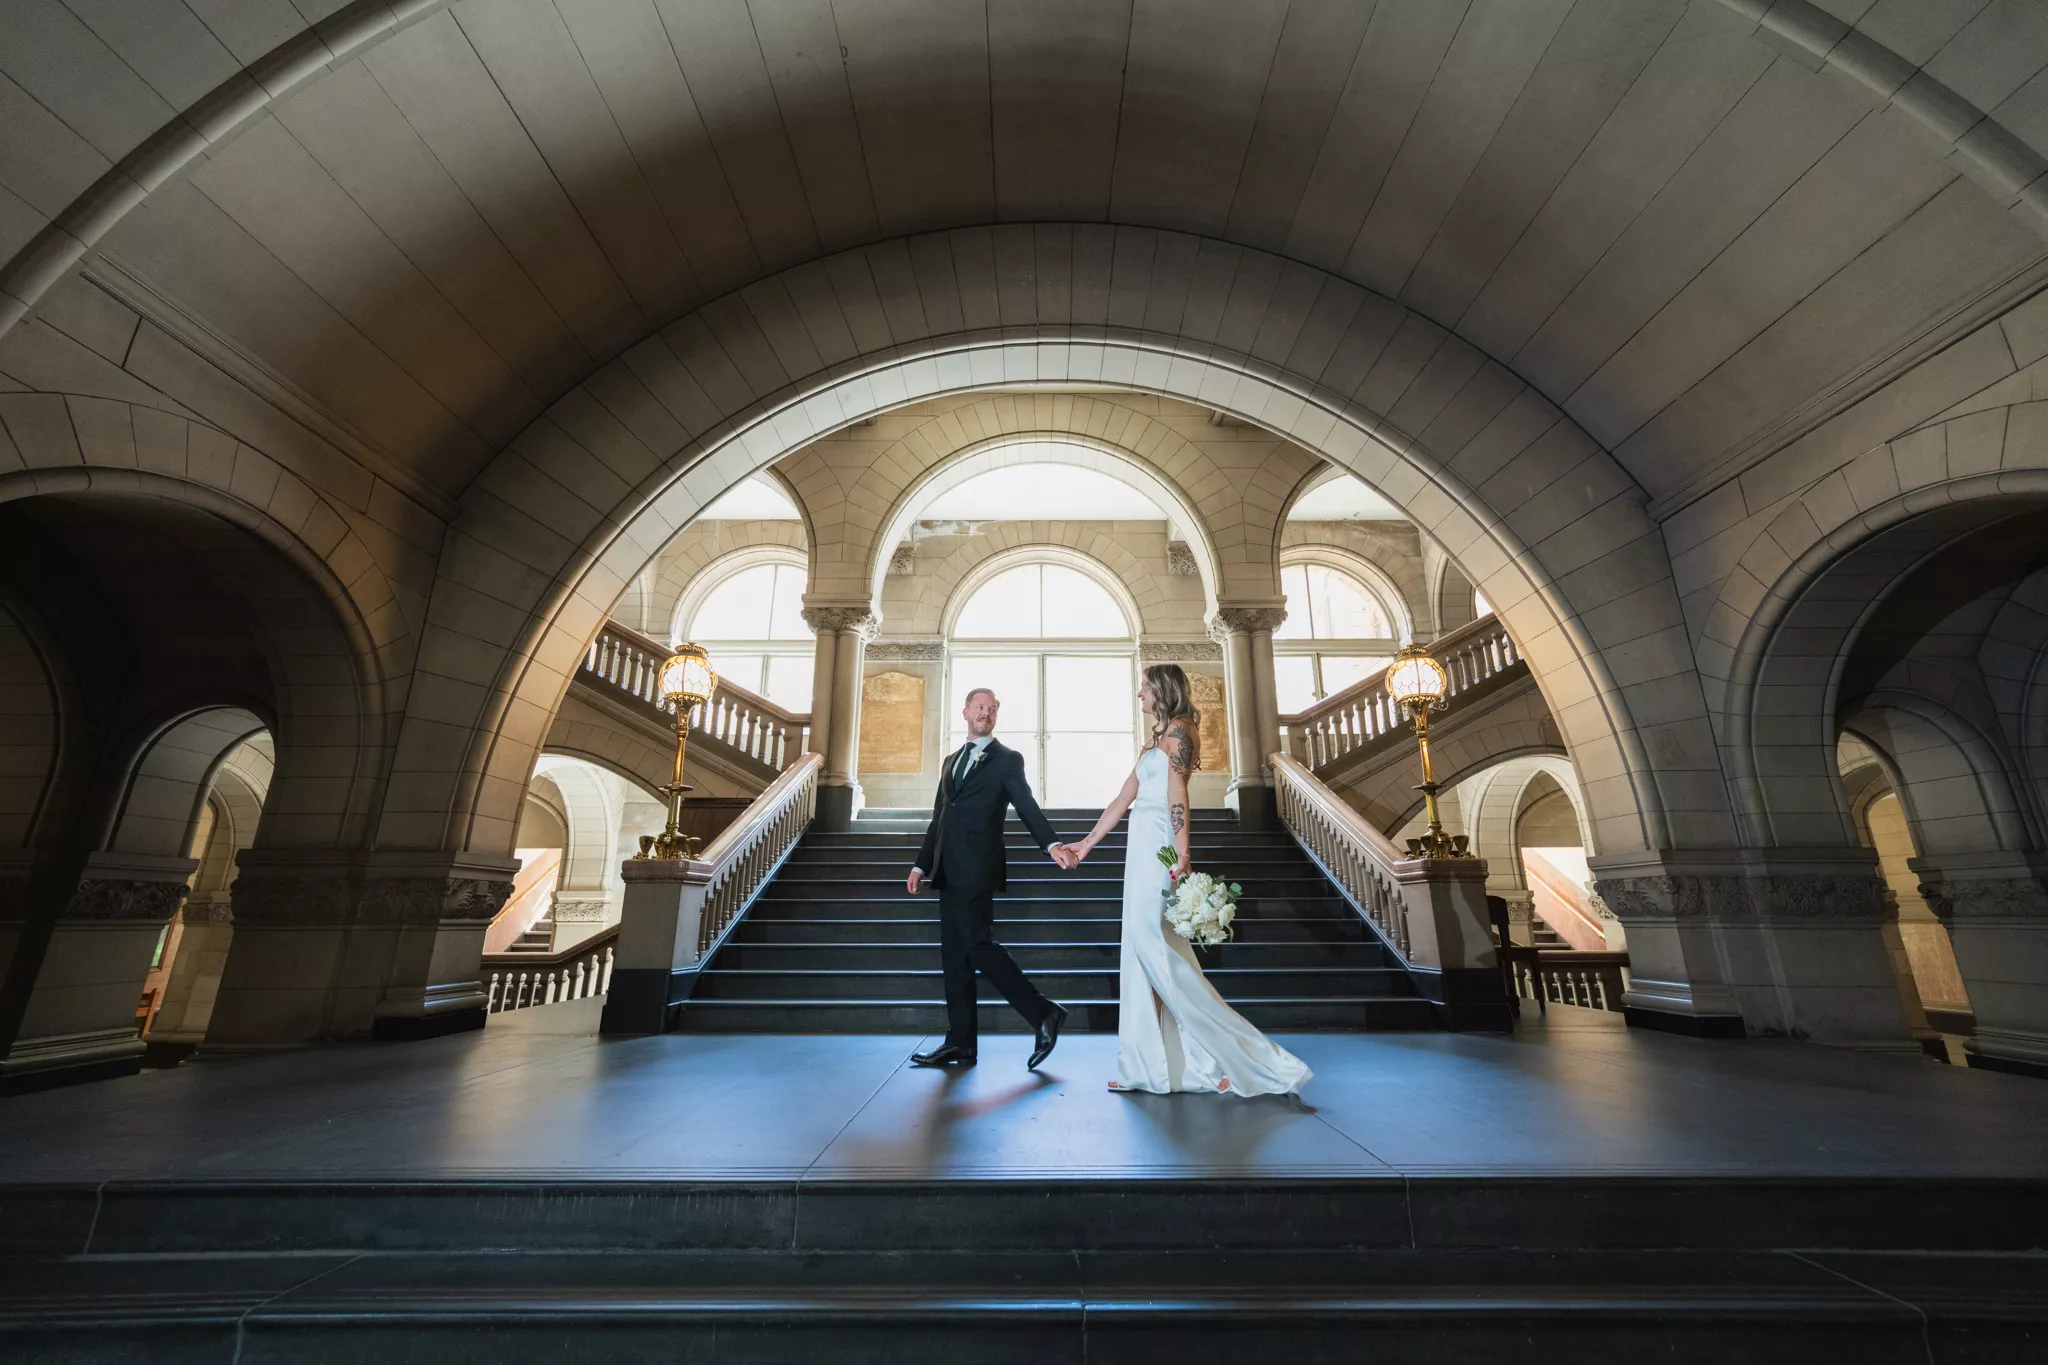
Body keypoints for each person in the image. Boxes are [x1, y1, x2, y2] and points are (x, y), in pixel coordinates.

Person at [1054, 664, 1311, 1096]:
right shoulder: (1156, 739)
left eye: (1144, 687)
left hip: (1160, 845)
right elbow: (1123, 797)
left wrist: (1182, 853)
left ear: (1162, 689)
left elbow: (1177, 794)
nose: (1139, 694)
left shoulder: (1180, 732)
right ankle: (1149, 1067)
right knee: (1141, 951)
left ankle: (1220, 1058)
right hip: (1139, 845)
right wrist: (1086, 844)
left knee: (1154, 946)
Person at [907, 686, 1075, 1069]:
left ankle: (1043, 1012)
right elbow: (940, 817)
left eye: (993, 708)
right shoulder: (951, 761)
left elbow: (1026, 804)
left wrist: (1051, 845)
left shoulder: (1006, 760)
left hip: (978, 868)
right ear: (965, 712)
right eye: (980, 707)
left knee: (979, 945)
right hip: (947, 871)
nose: (986, 713)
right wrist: (921, 865)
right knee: (955, 958)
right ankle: (961, 1042)